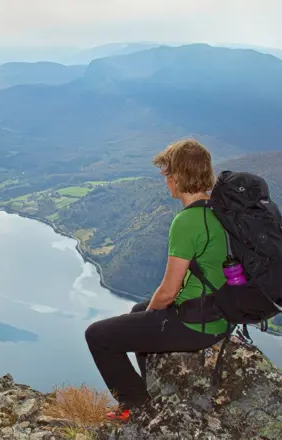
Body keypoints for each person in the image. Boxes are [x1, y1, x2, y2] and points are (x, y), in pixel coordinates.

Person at [84, 138, 230, 421]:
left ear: (176, 178)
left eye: (166, 174)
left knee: (98, 335)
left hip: (197, 325)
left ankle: (134, 404)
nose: (165, 180)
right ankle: (151, 387)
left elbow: (169, 291)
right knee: (138, 312)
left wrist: (153, 316)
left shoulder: (186, 222)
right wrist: (147, 317)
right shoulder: (218, 211)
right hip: (219, 316)